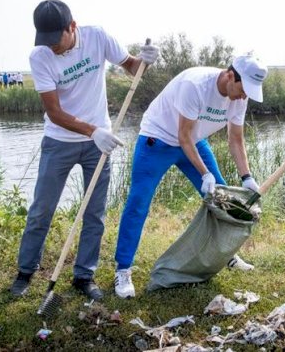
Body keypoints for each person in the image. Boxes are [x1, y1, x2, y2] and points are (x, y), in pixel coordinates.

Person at [9, 0, 160, 300]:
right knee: (42, 209)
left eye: (57, 39)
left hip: (97, 147)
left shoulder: (97, 36)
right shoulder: (40, 57)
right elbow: (55, 113)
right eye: (46, 41)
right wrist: (93, 132)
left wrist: (146, 60)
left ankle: (84, 276)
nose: (53, 47)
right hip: (60, 142)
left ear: (72, 27)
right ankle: (25, 272)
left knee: (95, 213)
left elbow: (131, 66)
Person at [113, 54, 267, 299]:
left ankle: (225, 254)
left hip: (193, 142)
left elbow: (235, 139)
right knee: (138, 203)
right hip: (159, 139)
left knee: (222, 199)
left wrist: (246, 176)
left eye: (250, 91)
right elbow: (182, 136)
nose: (244, 96)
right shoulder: (195, 85)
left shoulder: (239, 97)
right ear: (230, 75)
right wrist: (204, 173)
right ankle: (123, 269)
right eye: (243, 89)